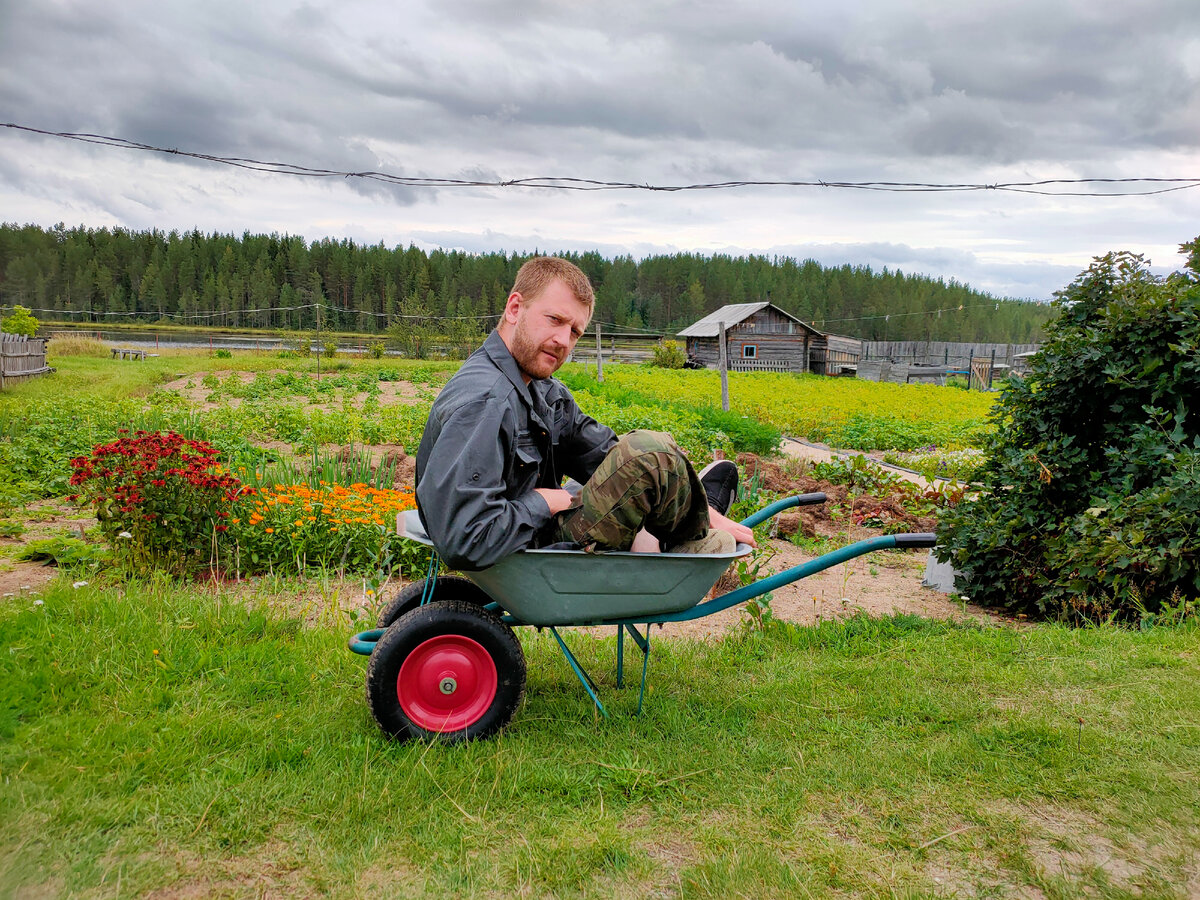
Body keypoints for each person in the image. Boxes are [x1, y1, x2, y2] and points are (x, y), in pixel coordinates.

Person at [414, 256, 754, 571]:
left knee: (622, 469)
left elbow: (603, 455)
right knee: (652, 453)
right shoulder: (486, 401)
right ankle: (679, 537)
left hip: (529, 531)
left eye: (575, 331)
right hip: (525, 546)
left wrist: (704, 514)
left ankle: (697, 516)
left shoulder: (541, 389)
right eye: (555, 320)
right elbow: (466, 538)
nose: (563, 340)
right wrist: (543, 502)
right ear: (515, 308)